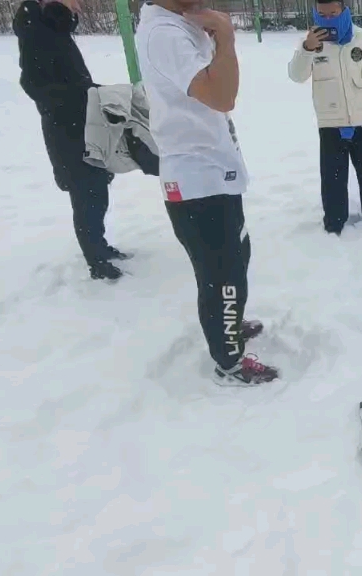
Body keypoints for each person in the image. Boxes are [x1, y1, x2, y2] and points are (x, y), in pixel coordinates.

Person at [135, 0, 279, 385]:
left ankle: (227, 325)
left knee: (234, 260)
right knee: (221, 275)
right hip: (196, 181)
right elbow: (222, 96)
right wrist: (226, 38)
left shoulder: (181, 22)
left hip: (214, 173)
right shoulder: (164, 33)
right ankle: (228, 359)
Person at [12, 0, 130, 281]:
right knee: (86, 194)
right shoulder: (36, 30)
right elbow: (35, 86)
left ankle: (99, 246)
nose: (79, 5)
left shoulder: (52, 26)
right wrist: (90, 94)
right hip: (67, 132)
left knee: (97, 190)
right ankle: (96, 261)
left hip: (84, 124)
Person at [288, 0, 362, 236]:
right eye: (322, 14)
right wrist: (307, 48)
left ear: (344, 10)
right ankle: (333, 222)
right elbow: (296, 75)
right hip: (330, 124)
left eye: (333, 13)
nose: (328, 19)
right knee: (333, 179)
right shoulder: (311, 42)